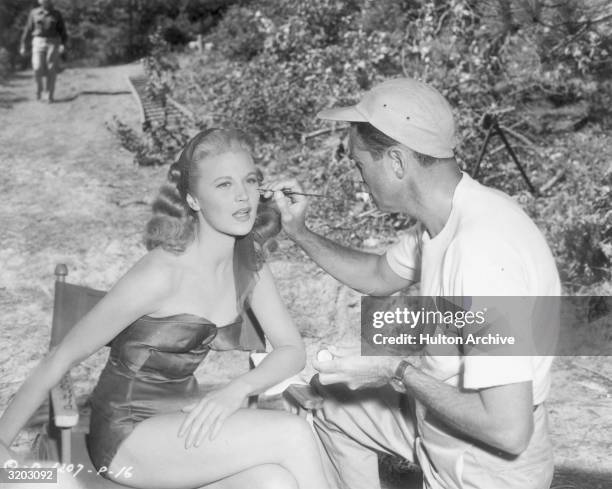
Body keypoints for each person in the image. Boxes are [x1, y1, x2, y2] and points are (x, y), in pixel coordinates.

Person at [0, 128, 331, 489]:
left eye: (250, 181)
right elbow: (61, 357)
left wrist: (237, 389)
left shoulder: (249, 262)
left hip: (181, 420)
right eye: (223, 185)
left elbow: (292, 350)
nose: (242, 196)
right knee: (292, 433)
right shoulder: (161, 274)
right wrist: (2, 446)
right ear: (193, 200)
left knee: (275, 482)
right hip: (127, 433)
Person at [272, 78, 560, 489]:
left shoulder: (483, 252)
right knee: (329, 405)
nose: (358, 178)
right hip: (438, 425)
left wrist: (396, 370)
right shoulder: (444, 220)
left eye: (359, 164)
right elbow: (377, 276)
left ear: (396, 162)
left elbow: (508, 430)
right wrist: (300, 232)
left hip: (484, 468)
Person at [19, 0, 68, 103]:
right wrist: (23, 45)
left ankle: (49, 95)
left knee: (51, 68)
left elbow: (62, 31)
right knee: (37, 67)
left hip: (53, 42)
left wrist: (63, 44)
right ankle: (39, 89)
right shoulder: (34, 13)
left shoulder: (56, 14)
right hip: (38, 41)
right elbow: (28, 29)